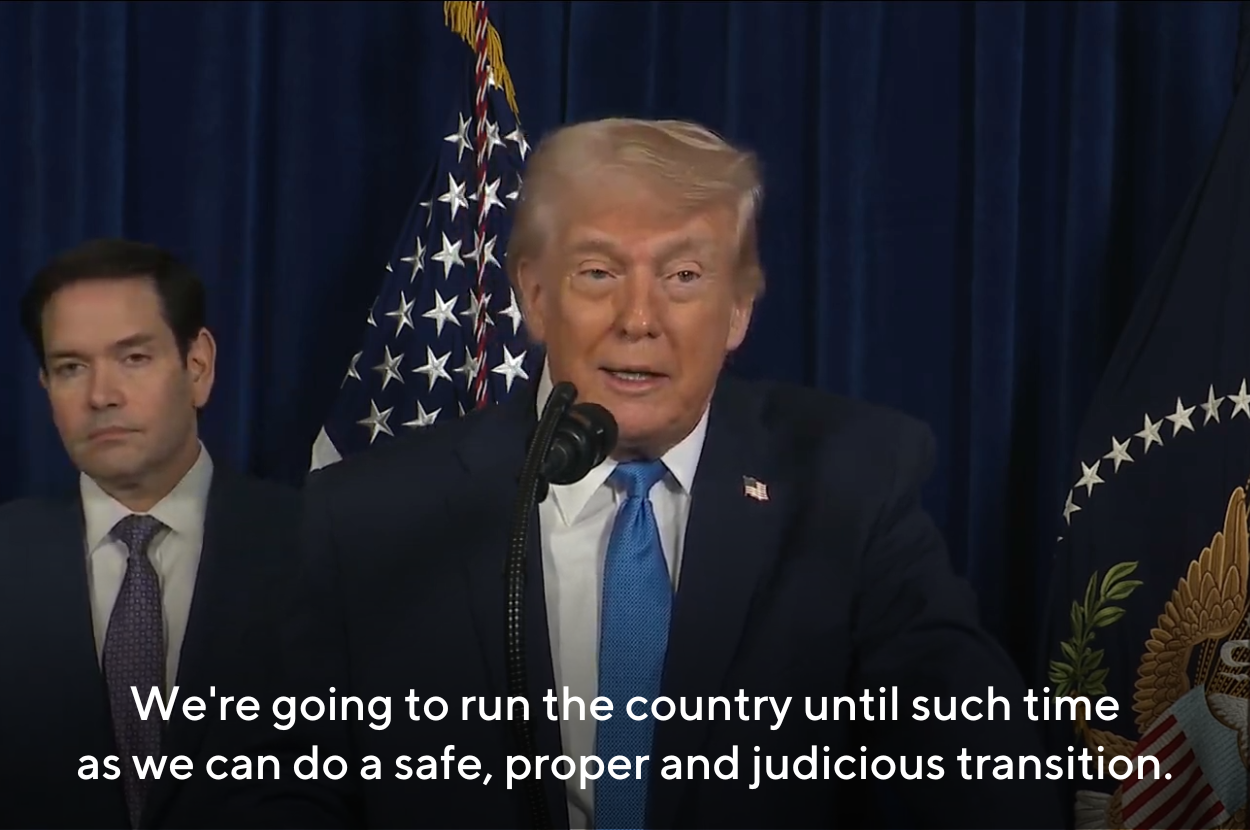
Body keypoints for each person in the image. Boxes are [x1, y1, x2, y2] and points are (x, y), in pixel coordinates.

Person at [250, 118, 1063, 829]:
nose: (639, 320)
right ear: (535, 296)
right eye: (599, 272)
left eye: (683, 277)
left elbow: (985, 768)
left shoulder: (848, 486)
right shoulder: (368, 517)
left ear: (738, 309)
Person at [0, 239, 301, 829]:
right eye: (71, 367)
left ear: (198, 367)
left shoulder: (315, 544)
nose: (100, 396)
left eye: (133, 358)